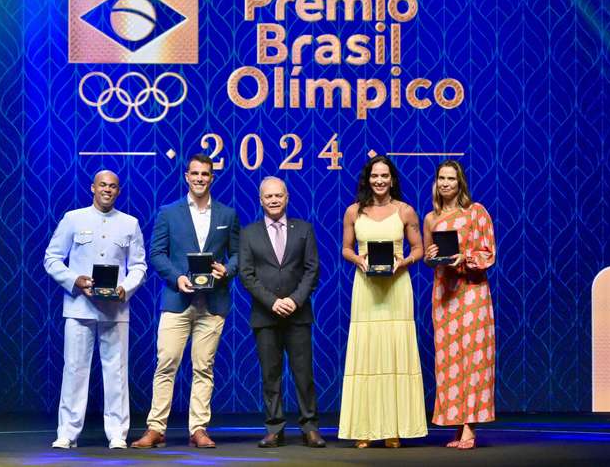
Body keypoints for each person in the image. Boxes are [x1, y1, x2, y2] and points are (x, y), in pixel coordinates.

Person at [132, 154, 240, 449]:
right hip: (178, 299)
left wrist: (226, 270)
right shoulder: (169, 212)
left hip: (213, 302)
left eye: (205, 174)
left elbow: (238, 255)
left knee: (204, 367)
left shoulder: (227, 214)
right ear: (186, 176)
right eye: (195, 173)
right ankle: (156, 428)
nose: (200, 178)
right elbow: (156, 253)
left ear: (212, 178)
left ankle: (199, 429)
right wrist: (177, 277)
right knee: (166, 363)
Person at [44, 170, 147, 449]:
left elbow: (139, 265)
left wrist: (125, 288)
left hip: (115, 310)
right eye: (103, 185)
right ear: (93, 187)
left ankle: (117, 433)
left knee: (116, 371)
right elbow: (52, 258)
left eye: (113, 186)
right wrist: (74, 280)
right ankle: (67, 433)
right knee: (75, 370)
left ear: (118, 191)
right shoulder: (73, 219)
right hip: (79, 307)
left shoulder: (130, 223)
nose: (108, 190)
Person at [338, 155, 428, 448]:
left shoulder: (406, 212)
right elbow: (346, 249)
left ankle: (394, 429)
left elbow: (419, 250)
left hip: (396, 289)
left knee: (394, 354)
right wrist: (359, 260)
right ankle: (364, 429)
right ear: (368, 179)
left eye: (385, 176)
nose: (379, 181)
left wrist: (404, 262)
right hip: (365, 289)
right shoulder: (353, 212)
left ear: (392, 180)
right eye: (375, 176)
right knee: (366, 354)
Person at [239, 176, 326, 448]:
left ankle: (309, 427)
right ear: (260, 200)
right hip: (265, 316)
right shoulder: (248, 233)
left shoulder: (304, 229)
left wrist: (295, 300)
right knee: (270, 375)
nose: (274, 200)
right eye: (268, 196)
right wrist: (273, 302)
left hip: (298, 315)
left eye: (279, 195)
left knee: (303, 374)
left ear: (287, 197)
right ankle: (274, 428)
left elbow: (313, 269)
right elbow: (246, 274)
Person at [423, 159, 496, 450]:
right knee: (449, 359)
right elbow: (430, 260)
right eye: (441, 178)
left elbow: (488, 254)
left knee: (475, 358)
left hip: (472, 292)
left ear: (460, 182)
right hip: (444, 294)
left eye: (451, 179)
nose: (445, 184)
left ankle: (470, 427)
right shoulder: (431, 218)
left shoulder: (476, 213)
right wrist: (431, 256)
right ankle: (457, 422)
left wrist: (463, 259)